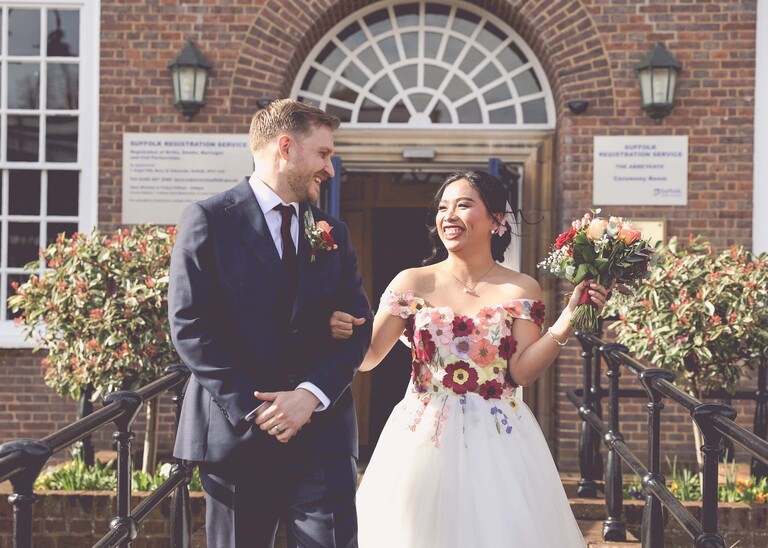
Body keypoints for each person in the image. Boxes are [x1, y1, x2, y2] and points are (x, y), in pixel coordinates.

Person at [329, 170, 610, 547]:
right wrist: (338, 325)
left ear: (497, 220)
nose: (449, 216)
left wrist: (567, 320)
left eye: (463, 205)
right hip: (422, 434)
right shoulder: (411, 282)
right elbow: (368, 357)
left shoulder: (521, 287)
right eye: (443, 208)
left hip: (500, 436)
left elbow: (522, 372)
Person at [169, 99, 373, 548]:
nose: (330, 169)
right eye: (323, 154)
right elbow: (190, 326)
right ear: (286, 146)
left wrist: (309, 395)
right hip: (237, 434)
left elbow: (359, 325)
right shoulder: (208, 220)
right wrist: (258, 407)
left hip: (323, 435)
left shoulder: (332, 232)